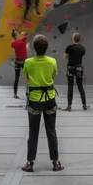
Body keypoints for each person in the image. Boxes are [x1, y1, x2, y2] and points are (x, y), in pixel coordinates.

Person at [22, 34, 63, 172]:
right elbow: (53, 76)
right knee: (51, 130)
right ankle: (56, 162)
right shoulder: (52, 61)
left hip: (34, 100)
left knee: (33, 131)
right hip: (50, 99)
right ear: (47, 48)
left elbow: (27, 79)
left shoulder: (28, 62)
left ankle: (30, 163)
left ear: (34, 48)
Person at [63, 32, 88, 111]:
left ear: (73, 38)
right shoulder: (82, 48)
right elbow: (81, 56)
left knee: (70, 86)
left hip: (71, 68)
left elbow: (65, 57)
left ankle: (69, 106)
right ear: (79, 39)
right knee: (80, 86)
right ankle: (84, 105)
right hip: (79, 68)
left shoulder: (69, 47)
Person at [11, 30, 28, 99]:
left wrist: (23, 34)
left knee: (22, 78)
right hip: (21, 61)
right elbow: (26, 35)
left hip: (19, 61)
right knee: (23, 78)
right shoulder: (22, 41)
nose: (18, 33)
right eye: (16, 33)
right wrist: (24, 33)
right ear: (14, 36)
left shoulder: (14, 43)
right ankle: (18, 93)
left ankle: (17, 93)